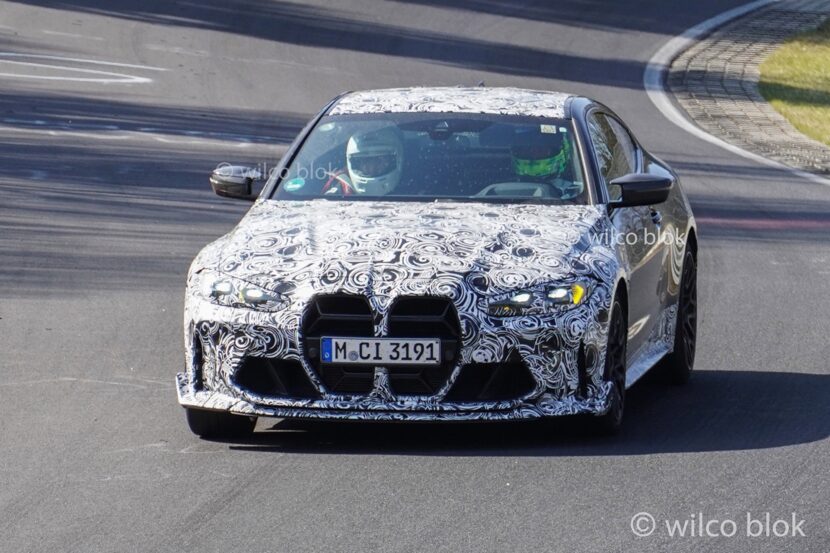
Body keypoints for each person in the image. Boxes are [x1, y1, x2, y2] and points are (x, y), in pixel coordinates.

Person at [322, 126, 404, 195]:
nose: (372, 167)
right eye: (365, 161)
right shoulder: (338, 192)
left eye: (379, 160)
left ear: (395, 160)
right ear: (355, 164)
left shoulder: (413, 191)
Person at [510, 127, 584, 200]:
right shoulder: (505, 189)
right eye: (527, 150)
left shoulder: (574, 192)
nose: (534, 154)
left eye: (540, 150)